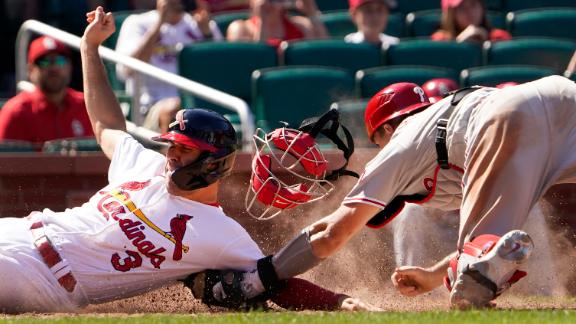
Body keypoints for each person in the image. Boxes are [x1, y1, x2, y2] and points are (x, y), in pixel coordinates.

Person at [0, 6, 375, 313]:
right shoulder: (145, 165)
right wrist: (89, 49)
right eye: (171, 146)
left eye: (183, 149)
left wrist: (339, 302)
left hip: (45, 279)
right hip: (25, 229)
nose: (171, 154)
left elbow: (276, 282)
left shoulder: (221, 234)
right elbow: (105, 124)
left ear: (212, 161)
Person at [206, 76, 576, 309]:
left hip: (507, 118)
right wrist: (433, 275)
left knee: (467, 294)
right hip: (558, 94)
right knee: (481, 254)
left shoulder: (401, 144)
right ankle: (475, 266)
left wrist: (261, 276)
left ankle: (476, 270)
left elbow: (332, 233)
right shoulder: (442, 132)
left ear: (382, 131)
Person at [115, 0, 223, 133]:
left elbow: (220, 75)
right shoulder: (137, 23)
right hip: (149, 108)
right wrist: (160, 22)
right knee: (178, 111)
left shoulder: (203, 24)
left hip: (198, 103)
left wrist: (207, 35)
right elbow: (125, 70)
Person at [0, 36, 94, 146]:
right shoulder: (16, 111)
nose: (54, 68)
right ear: (30, 69)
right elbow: (5, 161)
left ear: (70, 66)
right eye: (44, 62)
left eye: (60, 60)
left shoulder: (87, 106)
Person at [226, 0, 328, 46]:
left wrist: (312, 12)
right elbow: (249, 63)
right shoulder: (240, 29)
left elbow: (323, 55)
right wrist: (263, 23)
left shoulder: (302, 26)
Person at [431, 0, 511, 43]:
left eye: (473, 4)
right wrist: (460, 42)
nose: (469, 11)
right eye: (462, 7)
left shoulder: (499, 37)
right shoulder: (441, 40)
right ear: (451, 14)